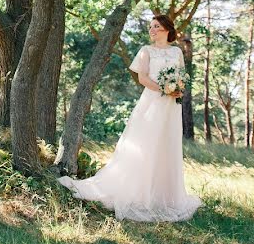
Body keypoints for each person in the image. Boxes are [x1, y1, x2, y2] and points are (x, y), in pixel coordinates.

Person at [58, 14, 202, 222]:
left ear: (167, 30)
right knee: (146, 144)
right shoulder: (146, 51)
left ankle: (164, 196)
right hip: (152, 103)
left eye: (156, 27)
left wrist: (177, 89)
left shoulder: (177, 51)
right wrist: (164, 89)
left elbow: (180, 77)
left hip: (171, 107)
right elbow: (143, 78)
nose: (152, 30)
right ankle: (139, 193)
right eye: (150, 27)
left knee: (166, 146)